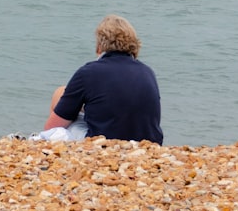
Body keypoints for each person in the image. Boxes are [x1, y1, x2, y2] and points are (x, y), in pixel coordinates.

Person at [40, 14, 163, 144]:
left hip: (104, 142)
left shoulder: (89, 72)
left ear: (99, 45)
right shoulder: (147, 72)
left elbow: (51, 126)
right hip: (149, 144)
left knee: (59, 94)